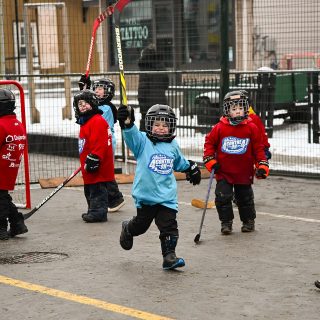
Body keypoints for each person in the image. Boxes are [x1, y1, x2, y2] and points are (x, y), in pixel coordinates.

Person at [117, 103, 201, 270]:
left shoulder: (172, 145)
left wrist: (190, 168)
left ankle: (169, 257)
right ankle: (128, 228)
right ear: (149, 125)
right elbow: (131, 136)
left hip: (166, 197)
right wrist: (127, 123)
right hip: (146, 197)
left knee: (169, 226)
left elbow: (179, 162)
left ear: (171, 126)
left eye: (165, 125)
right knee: (141, 226)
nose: (161, 128)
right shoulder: (142, 141)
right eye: (156, 125)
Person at [203, 90, 269, 235]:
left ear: (246, 108)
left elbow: (259, 149)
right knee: (222, 197)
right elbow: (209, 145)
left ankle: (248, 221)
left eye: (240, 108)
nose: (238, 111)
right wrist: (210, 161)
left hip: (243, 172)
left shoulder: (251, 127)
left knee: (244, 199)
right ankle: (226, 223)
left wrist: (262, 165)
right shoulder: (219, 127)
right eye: (234, 109)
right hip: (224, 172)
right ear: (228, 111)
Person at [78, 75, 125, 213]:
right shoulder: (97, 105)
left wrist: (84, 93)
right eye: (96, 88)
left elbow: (90, 111)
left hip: (105, 142)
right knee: (102, 172)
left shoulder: (106, 108)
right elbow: (85, 109)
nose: (97, 91)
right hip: (97, 141)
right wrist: (84, 89)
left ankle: (114, 198)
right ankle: (114, 199)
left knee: (103, 172)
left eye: (101, 89)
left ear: (108, 92)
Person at [73, 89, 115, 223]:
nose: (83, 106)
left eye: (86, 103)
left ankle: (99, 213)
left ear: (93, 103)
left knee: (97, 191)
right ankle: (93, 210)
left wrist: (94, 157)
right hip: (89, 166)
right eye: (80, 104)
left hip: (98, 166)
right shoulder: (86, 121)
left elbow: (101, 142)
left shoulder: (97, 121)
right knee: (90, 190)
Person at [0, 88, 28, 240]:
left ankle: (1, 228)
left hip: (2, 167)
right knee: (2, 196)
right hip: (10, 167)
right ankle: (17, 223)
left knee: (0, 199)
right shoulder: (17, 123)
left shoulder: (1, 124)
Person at [138, 44, 169, 131]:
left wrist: (141, 103)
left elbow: (142, 88)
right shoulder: (161, 66)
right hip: (161, 101)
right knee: (161, 125)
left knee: (147, 126)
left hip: (147, 103)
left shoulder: (145, 68)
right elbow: (166, 83)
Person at [240, 90, 271, 160]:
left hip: (251, 153)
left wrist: (265, 148)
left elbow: (261, 134)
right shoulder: (227, 121)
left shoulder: (254, 119)